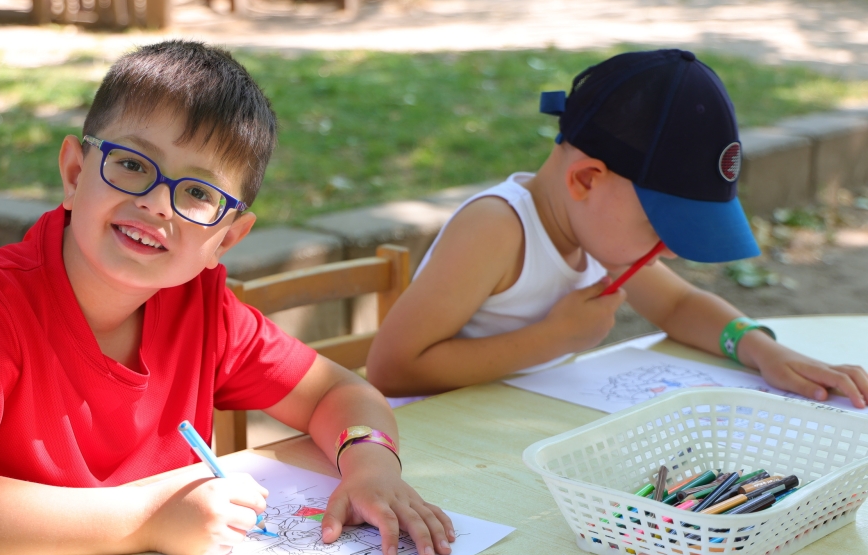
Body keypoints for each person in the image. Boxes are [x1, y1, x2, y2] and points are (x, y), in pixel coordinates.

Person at [0, 41, 454, 555]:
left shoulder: (202, 309)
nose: (155, 203)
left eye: (198, 193)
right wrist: (148, 518)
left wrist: (370, 464)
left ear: (226, 239)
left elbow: (340, 393)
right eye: (131, 164)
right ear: (74, 173)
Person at [367, 49, 868, 405]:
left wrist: (765, 351)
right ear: (586, 179)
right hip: (436, 441)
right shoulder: (497, 229)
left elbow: (678, 305)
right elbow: (392, 369)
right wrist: (554, 338)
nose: (669, 250)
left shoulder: (592, 228)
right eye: (659, 223)